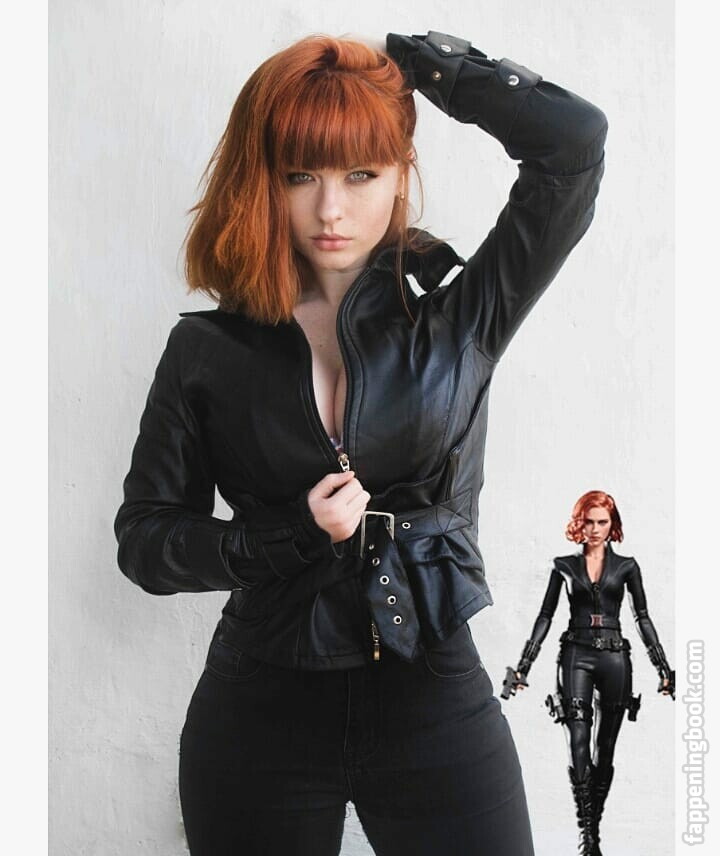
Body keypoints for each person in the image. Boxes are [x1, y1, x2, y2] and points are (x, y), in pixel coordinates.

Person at [114, 28, 607, 856]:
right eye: (300, 175)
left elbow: (575, 145)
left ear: (400, 172)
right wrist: (290, 535)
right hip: (260, 707)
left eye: (361, 173)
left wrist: (427, 68)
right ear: (263, 180)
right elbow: (146, 541)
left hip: (434, 696)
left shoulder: (463, 320)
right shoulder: (207, 350)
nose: (330, 210)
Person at [502, 491, 674, 856]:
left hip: (615, 658)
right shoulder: (563, 566)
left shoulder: (627, 566)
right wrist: (523, 666)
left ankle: (593, 828)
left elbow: (642, 617)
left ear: (613, 526)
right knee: (577, 742)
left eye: (602, 522)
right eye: (589, 521)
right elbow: (545, 616)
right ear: (579, 523)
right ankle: (588, 836)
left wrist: (663, 667)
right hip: (575, 654)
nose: (595, 529)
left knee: (605, 748)